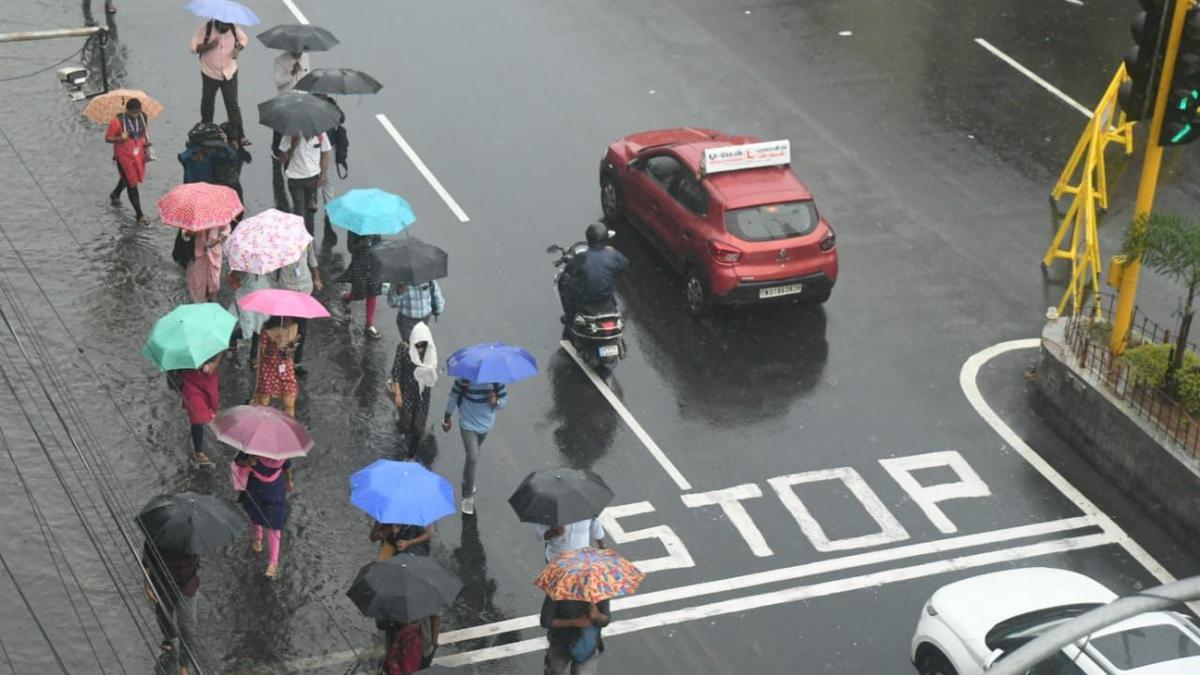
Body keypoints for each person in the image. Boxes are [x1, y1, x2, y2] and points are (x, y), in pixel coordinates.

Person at [442, 377, 508, 515]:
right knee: (472, 457)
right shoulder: (464, 379)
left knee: (473, 455)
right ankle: (468, 495)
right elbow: (453, 396)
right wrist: (447, 418)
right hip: (467, 423)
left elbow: (504, 401)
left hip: (486, 425)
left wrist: (496, 402)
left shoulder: (496, 380)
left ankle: (467, 478)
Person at [142, 538, 201, 675]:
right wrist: (147, 583)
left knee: (187, 627)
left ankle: (184, 665)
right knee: (163, 615)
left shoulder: (194, 534)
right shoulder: (156, 534)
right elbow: (147, 560)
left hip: (187, 585)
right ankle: (169, 636)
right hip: (162, 583)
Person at [233, 451, 293, 578]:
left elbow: (286, 465)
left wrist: (289, 480)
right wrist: (249, 462)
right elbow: (239, 460)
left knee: (273, 525)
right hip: (262, 488)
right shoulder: (278, 447)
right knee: (258, 516)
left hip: (270, 490)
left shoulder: (261, 447)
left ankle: (272, 561)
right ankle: (258, 539)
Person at [188, 19, 248, 140]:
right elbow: (193, 47)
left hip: (229, 73)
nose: (224, 28)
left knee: (232, 104)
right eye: (221, 26)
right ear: (217, 23)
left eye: (226, 26)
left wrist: (237, 49)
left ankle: (240, 135)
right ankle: (206, 129)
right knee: (207, 102)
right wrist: (209, 46)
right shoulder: (206, 28)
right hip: (210, 73)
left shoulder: (233, 28)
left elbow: (244, 39)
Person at [267, 242, 322, 373]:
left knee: (302, 329)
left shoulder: (306, 240)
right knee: (284, 328)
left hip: (304, 288)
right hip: (286, 289)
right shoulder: (277, 244)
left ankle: (297, 363)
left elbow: (312, 260)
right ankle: (282, 361)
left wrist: (317, 278)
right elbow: (272, 268)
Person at [560, 223, 629, 324]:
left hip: (586, 301)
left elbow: (569, 270)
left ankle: (569, 317)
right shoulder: (612, 253)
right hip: (607, 301)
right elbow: (625, 264)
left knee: (565, 280)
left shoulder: (583, 257)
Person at [387, 322, 437, 457]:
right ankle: (402, 430)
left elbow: (432, 374)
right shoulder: (403, 348)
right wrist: (398, 393)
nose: (420, 348)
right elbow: (396, 371)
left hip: (423, 393)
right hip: (406, 391)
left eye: (423, 345)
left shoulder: (430, 352)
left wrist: (432, 372)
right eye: (418, 345)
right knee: (407, 422)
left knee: (419, 426)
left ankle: (411, 455)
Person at [270, 50, 309, 211]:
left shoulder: (306, 58)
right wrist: (291, 73)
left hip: (300, 100)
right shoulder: (280, 60)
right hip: (285, 100)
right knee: (280, 129)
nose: (299, 52)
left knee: (293, 131)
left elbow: (307, 79)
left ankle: (289, 155)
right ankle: (276, 151)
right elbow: (279, 82)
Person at [105, 97, 150, 224]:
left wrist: (146, 143)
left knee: (130, 178)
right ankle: (139, 215)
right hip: (124, 156)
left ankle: (115, 194)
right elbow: (108, 138)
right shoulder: (117, 121)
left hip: (138, 154)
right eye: (133, 113)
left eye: (138, 112)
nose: (136, 116)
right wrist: (120, 138)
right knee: (132, 184)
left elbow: (143, 133)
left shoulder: (143, 117)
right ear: (127, 111)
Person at [277, 131, 331, 236]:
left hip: (313, 178)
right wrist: (292, 146)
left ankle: (310, 238)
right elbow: (282, 159)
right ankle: (299, 238)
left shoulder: (321, 134)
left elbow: (326, 152)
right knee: (299, 211)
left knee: (310, 212)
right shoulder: (289, 135)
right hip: (295, 179)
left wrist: (323, 174)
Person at [540, 597, 610, 674]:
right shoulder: (559, 590)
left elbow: (606, 620)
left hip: (587, 645)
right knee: (557, 671)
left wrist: (598, 616)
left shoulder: (598, 591)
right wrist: (574, 622)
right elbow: (546, 621)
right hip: (560, 644)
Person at [314, 93, 347, 247]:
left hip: (314, 148)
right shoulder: (330, 104)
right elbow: (341, 118)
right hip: (327, 146)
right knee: (328, 181)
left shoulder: (307, 105)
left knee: (316, 177)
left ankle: (312, 202)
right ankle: (329, 209)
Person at [337, 232, 383, 339]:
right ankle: (346, 298)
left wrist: (375, 244)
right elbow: (351, 248)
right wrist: (363, 243)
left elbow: (378, 243)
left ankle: (369, 325)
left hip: (373, 263)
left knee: (373, 292)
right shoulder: (353, 229)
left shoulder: (375, 228)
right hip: (359, 264)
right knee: (359, 292)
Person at [252, 316, 300, 416]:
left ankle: (289, 423)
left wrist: (290, 348)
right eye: (286, 318)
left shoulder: (294, 328)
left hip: (285, 366)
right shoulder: (267, 330)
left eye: (290, 318)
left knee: (289, 399)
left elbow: (294, 346)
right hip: (269, 368)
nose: (289, 320)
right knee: (263, 401)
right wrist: (273, 344)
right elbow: (264, 352)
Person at [179, 353, 221, 467]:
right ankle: (199, 452)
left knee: (208, 408)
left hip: (209, 381)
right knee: (197, 416)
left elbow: (220, 351)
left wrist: (215, 363)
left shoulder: (211, 339)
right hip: (191, 382)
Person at [228, 269, 269, 361]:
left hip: (258, 296)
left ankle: (253, 356)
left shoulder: (259, 266)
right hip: (245, 300)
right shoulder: (237, 269)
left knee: (257, 326)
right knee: (249, 329)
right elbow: (234, 284)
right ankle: (233, 337)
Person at [184, 224, 229, 303]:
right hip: (198, 253)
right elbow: (184, 234)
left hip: (214, 253)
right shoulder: (194, 218)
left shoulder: (219, 216)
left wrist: (218, 239)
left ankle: (212, 302)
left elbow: (227, 229)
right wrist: (192, 232)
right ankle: (198, 302)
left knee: (214, 281)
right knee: (198, 281)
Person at [213, 122, 252, 211]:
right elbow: (248, 158)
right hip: (232, 180)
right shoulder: (234, 150)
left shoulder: (221, 151)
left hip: (224, 181)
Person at [534, 519, 607, 563]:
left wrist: (603, 548)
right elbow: (539, 536)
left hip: (582, 560)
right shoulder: (550, 509)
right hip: (556, 560)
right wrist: (554, 532)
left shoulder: (588, 508)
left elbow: (596, 528)